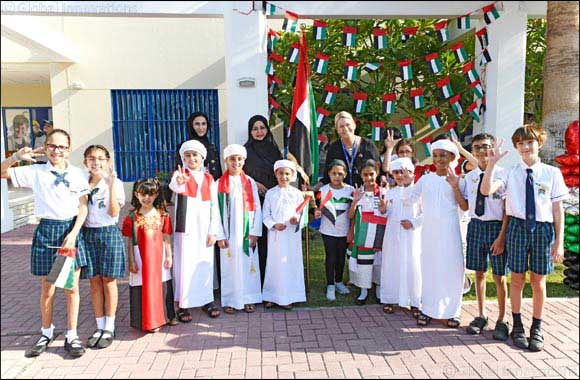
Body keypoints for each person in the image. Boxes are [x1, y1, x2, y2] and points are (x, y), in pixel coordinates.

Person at [1, 129, 90, 358]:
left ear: (68, 150)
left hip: (70, 230)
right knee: (47, 288)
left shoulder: (78, 173)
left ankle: (72, 335)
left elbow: (83, 206)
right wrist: (15, 158)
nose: (56, 151)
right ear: (45, 147)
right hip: (47, 230)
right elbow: (1, 173)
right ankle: (46, 332)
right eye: (52, 146)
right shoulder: (36, 171)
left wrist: (74, 232)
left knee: (71, 287)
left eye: (61, 147)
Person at [481, 124, 568, 352]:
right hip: (517, 228)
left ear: (539, 143)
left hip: (542, 229)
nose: (525, 147)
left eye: (529, 142)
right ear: (517, 148)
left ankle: (536, 327)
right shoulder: (510, 173)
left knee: (538, 281)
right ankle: (517, 324)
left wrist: (559, 242)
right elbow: (487, 190)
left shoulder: (552, 173)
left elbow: (558, 210)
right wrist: (491, 165)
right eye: (520, 143)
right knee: (517, 278)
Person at [402, 139, 468, 328]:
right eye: (436, 155)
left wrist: (455, 186)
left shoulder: (459, 179)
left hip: (451, 231)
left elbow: (464, 206)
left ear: (452, 157)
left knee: (452, 269)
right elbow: (411, 200)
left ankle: (453, 311)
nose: (439, 159)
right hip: (429, 232)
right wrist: (406, 184)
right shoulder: (426, 179)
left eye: (443, 155)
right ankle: (428, 309)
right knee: (430, 268)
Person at [457, 134, 510, 340]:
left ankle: (502, 318)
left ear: (493, 148)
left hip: (497, 227)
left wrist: (502, 237)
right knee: (479, 273)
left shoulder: (503, 174)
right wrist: (455, 186)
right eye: (477, 147)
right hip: (476, 226)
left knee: (499, 276)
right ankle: (481, 315)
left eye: (486, 147)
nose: (481, 151)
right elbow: (465, 205)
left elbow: (506, 210)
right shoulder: (469, 176)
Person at [169, 140, 221, 320]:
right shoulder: (180, 174)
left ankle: (206, 300)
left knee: (205, 264)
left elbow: (214, 206)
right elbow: (174, 186)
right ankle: (183, 304)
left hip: (204, 228)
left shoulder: (209, 179)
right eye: (188, 155)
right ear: (183, 158)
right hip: (186, 230)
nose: (192, 158)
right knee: (185, 265)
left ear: (202, 157)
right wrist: (180, 181)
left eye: (195, 155)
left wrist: (214, 231)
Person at [81, 145, 126, 349]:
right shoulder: (82, 183)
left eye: (100, 158)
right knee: (94, 281)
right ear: (85, 162)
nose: (96, 162)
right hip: (88, 234)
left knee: (109, 280)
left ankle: (110, 326)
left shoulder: (115, 183)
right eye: (91, 158)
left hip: (108, 233)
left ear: (108, 161)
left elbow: (113, 212)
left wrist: (110, 186)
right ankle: (99, 326)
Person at [122, 179, 177, 332]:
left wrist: (169, 255)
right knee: (140, 287)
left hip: (159, 257)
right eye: (143, 194)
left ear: (156, 195)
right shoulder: (132, 217)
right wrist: (131, 260)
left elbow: (166, 237)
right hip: (140, 257)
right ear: (136, 195)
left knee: (163, 285)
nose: (147, 198)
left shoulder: (163, 215)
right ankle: (144, 321)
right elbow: (129, 241)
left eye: (151, 194)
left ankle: (167, 317)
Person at [216, 144, 263, 314]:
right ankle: (230, 300)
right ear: (226, 161)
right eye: (232, 159)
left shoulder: (249, 182)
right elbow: (215, 212)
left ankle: (249, 298)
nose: (236, 162)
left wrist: (255, 232)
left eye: (239, 159)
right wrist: (220, 235)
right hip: (228, 234)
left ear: (244, 160)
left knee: (248, 265)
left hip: (246, 232)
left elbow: (257, 207)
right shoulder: (218, 184)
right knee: (229, 267)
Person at [379, 158, 422, 319]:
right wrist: (383, 210)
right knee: (392, 263)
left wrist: (413, 223)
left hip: (412, 235)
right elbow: (388, 212)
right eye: (396, 172)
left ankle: (415, 301)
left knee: (413, 265)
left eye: (403, 172)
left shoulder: (418, 190)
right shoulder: (391, 192)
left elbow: (425, 213)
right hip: (393, 234)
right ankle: (390, 298)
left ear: (411, 173)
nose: (399, 176)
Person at [243, 115, 283, 286]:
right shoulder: (246, 151)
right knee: (255, 239)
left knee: (271, 241)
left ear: (267, 129)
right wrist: (255, 183)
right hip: (253, 201)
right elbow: (241, 174)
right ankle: (255, 282)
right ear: (250, 131)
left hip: (273, 201)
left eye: (262, 128)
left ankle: (271, 281)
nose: (259, 132)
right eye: (255, 128)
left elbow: (281, 173)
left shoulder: (274, 150)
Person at [262, 160, 307, 309]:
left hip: (291, 236)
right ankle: (272, 296)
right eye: (280, 173)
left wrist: (296, 220)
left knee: (290, 264)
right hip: (276, 236)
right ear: (276, 174)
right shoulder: (270, 193)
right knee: (274, 265)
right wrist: (274, 224)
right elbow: (265, 215)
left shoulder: (296, 194)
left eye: (287, 173)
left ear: (292, 175)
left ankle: (289, 297)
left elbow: (302, 214)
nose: (284, 177)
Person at [314, 159, 354, 301]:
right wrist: (317, 212)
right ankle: (330, 285)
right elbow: (317, 209)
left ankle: (339, 282)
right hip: (328, 230)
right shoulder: (323, 191)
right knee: (331, 257)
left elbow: (354, 212)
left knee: (341, 257)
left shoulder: (350, 190)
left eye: (340, 173)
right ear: (329, 174)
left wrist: (351, 231)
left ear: (345, 174)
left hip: (344, 231)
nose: (337, 176)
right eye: (334, 173)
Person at [348, 159, 386, 305]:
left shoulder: (383, 192)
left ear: (376, 173)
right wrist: (355, 202)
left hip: (379, 235)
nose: (369, 178)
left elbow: (387, 213)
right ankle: (363, 290)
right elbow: (350, 216)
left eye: (371, 174)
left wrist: (384, 208)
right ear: (361, 175)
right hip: (362, 235)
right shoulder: (357, 192)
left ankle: (378, 288)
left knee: (378, 263)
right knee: (364, 263)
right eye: (365, 175)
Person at [316, 111, 380, 189]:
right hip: (342, 194)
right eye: (341, 126)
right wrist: (314, 187)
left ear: (354, 125)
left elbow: (378, 170)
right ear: (337, 130)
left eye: (348, 125)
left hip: (365, 193)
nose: (345, 128)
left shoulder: (368, 145)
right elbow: (327, 176)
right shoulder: (334, 148)